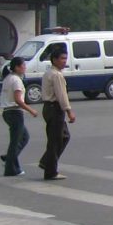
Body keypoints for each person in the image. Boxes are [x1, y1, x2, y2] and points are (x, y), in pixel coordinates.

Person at [38, 45, 74, 181]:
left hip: (49, 108)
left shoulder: (48, 73)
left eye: (65, 58)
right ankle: (50, 171)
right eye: (62, 59)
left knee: (63, 136)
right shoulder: (56, 75)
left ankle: (46, 162)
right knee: (55, 141)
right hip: (55, 108)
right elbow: (61, 95)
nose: (64, 61)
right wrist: (69, 111)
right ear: (54, 60)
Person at [0, 56, 39, 176]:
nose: (25, 68)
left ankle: (10, 157)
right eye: (23, 66)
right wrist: (31, 110)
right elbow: (18, 100)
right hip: (14, 112)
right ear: (17, 67)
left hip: (7, 112)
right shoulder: (16, 80)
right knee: (16, 141)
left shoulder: (8, 78)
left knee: (23, 137)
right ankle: (10, 169)